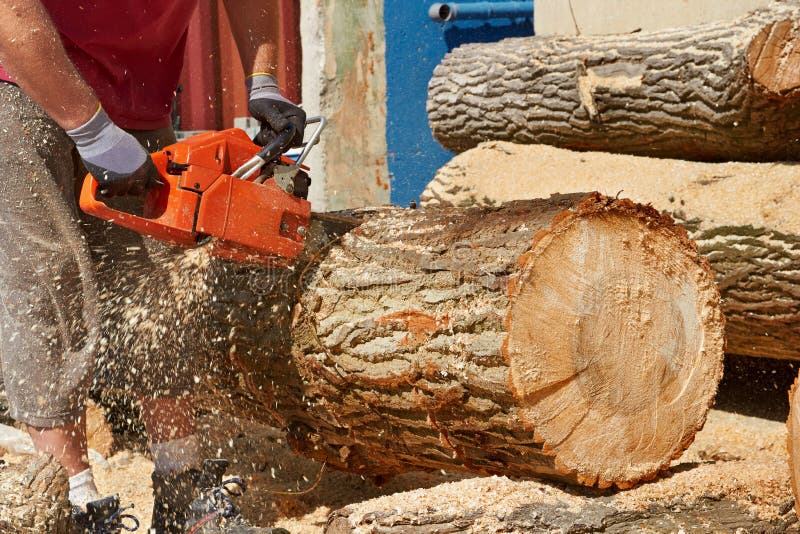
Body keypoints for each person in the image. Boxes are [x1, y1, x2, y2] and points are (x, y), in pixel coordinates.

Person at [0, 1, 303, 532]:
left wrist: (264, 81)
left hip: (140, 96)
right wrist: (90, 131)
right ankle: (75, 502)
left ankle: (182, 485)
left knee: (159, 279)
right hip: (24, 78)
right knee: (47, 281)